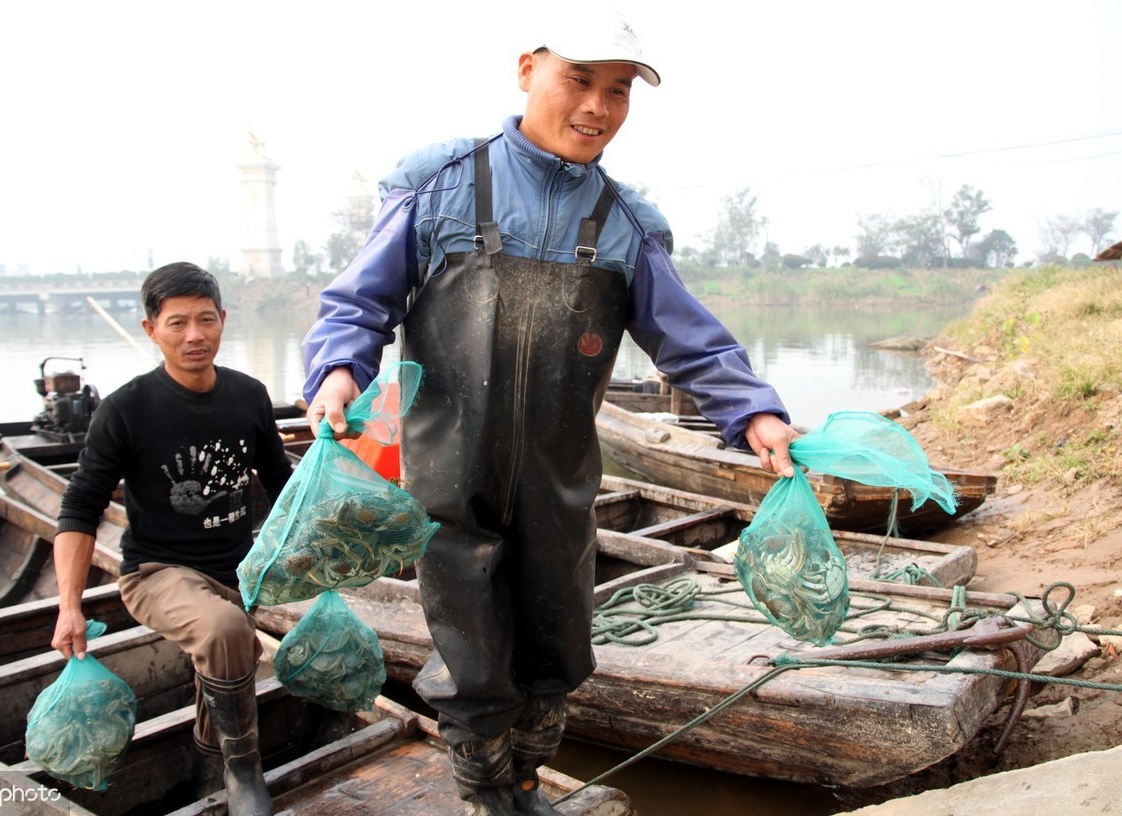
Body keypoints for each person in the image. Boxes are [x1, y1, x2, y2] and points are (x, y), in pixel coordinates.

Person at [301, 14, 799, 816]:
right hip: (448, 477)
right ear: (528, 68)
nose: (598, 105)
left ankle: (526, 784)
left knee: (557, 646)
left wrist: (757, 416)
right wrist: (334, 372)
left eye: (619, 89)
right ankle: (482, 797)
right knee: (468, 655)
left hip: (560, 483)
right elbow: (360, 302)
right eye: (580, 79)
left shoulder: (628, 223)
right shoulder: (441, 183)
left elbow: (691, 340)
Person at [52, 262, 293, 816]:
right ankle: (245, 770)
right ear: (150, 330)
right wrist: (68, 606)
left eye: (205, 320)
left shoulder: (248, 396)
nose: (194, 335)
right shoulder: (126, 409)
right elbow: (80, 507)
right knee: (226, 630)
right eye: (178, 322)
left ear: (223, 320)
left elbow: (282, 483)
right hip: (157, 573)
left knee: (223, 659)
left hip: (237, 572)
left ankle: (208, 773)